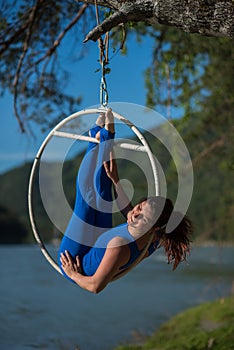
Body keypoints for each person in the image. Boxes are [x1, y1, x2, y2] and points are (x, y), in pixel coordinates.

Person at [59, 108, 192, 293]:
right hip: (98, 241)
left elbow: (95, 286)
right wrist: (115, 178)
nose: (134, 213)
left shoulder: (119, 247)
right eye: (139, 207)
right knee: (105, 189)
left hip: (75, 261)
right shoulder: (152, 236)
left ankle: (103, 138)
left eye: (141, 217)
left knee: (87, 198)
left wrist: (72, 273)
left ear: (152, 227)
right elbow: (129, 211)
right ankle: (100, 137)